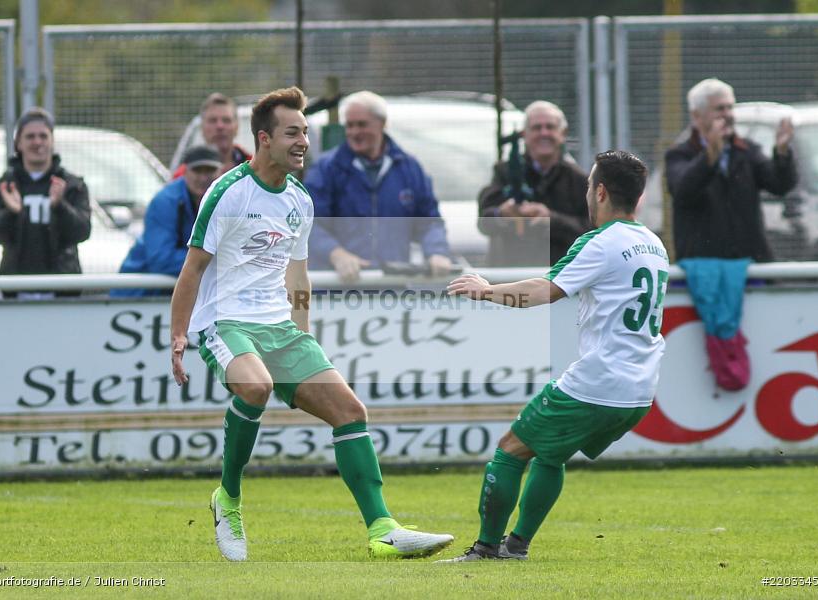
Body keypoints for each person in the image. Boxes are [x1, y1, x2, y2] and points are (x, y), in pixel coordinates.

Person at [169, 86, 454, 562]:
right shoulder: (228, 192)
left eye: (305, 132)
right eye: (292, 133)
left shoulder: (300, 200)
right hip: (226, 324)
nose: (303, 141)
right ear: (264, 139)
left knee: (350, 412)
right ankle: (229, 498)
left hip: (280, 327)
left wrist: (301, 333)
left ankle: (383, 529)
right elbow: (192, 269)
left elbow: (297, 275)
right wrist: (180, 335)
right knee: (255, 389)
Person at [440, 151, 667, 562]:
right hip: (640, 389)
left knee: (510, 450)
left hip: (599, 381)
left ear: (599, 192)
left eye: (587, 187)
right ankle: (517, 546)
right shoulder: (653, 242)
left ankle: (487, 548)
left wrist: (484, 290)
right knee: (550, 453)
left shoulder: (600, 241)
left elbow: (544, 291)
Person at [665, 78, 796, 391]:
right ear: (697, 117)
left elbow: (779, 184)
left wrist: (782, 152)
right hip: (702, 269)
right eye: (718, 108)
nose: (727, 114)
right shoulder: (679, 155)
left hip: (748, 265)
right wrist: (710, 155)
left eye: (729, 107)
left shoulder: (745, 150)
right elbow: (683, 191)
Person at [304, 90, 452, 282]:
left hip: (392, 285)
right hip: (339, 288)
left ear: (382, 124)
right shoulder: (326, 169)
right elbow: (308, 222)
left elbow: (429, 220)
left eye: (362, 125)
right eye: (349, 125)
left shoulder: (408, 168)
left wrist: (437, 252)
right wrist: (336, 254)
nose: (354, 132)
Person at [0, 107, 91, 298]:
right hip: (17, 290)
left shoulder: (72, 185)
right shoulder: (5, 186)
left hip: (62, 291)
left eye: (43, 136)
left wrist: (60, 206)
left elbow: (82, 231)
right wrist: (12, 212)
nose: (37, 142)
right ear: (18, 144)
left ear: (52, 141)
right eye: (30, 136)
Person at [478, 101, 590, 267]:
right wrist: (503, 213)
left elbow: (591, 232)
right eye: (537, 128)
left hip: (559, 280)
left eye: (550, 127)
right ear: (524, 134)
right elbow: (484, 222)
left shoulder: (578, 180)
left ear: (563, 133)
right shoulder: (504, 172)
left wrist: (551, 220)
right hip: (511, 277)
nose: (543, 133)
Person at [113, 146, 222, 296]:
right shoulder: (165, 201)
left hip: (179, 292)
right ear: (184, 172)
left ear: (221, 172)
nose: (203, 178)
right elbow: (161, 261)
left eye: (209, 170)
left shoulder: (225, 200)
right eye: (197, 170)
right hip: (138, 295)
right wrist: (216, 260)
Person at [171, 92, 251, 178]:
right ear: (202, 127)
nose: (220, 126)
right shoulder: (184, 177)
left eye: (226, 120)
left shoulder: (255, 169)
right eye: (212, 120)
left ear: (236, 127)